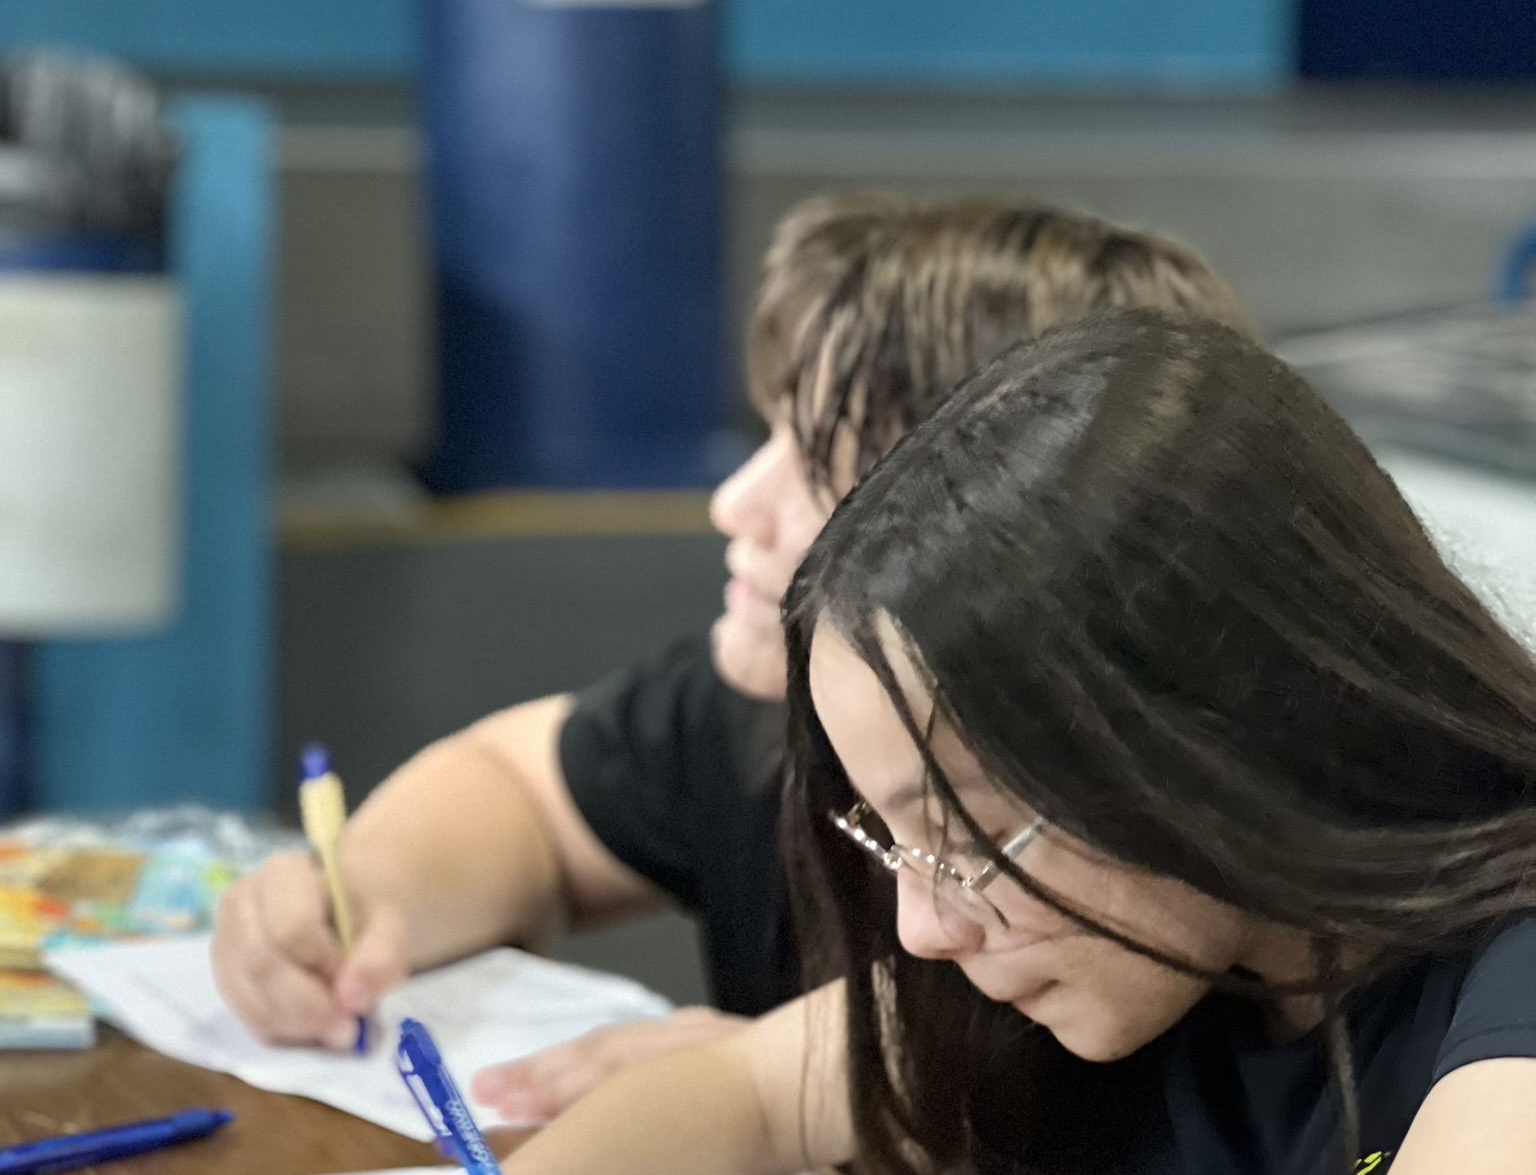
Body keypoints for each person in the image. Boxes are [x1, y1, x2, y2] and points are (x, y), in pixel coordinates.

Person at [375, 312, 1536, 1175]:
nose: (922, 926)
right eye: (894, 838)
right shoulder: (1171, 938)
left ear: (1215, 739)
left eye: (969, 837)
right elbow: (750, 1092)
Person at [212, 197, 1254, 1120]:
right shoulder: (762, 711)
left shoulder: (1140, 898)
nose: (734, 503)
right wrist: (363, 897)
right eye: (768, 436)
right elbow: (523, 789)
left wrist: (772, 1099)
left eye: (820, 467)